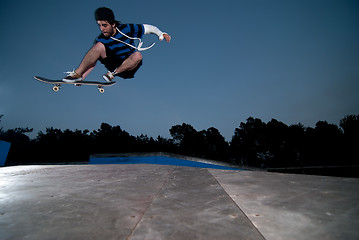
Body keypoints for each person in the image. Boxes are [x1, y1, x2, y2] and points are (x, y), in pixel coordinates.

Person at [63, 7, 171, 82]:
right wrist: (83, 77)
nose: (102, 29)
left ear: (113, 24)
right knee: (98, 46)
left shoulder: (126, 29)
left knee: (138, 55)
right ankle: (76, 74)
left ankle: (112, 74)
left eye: (105, 25)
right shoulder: (101, 39)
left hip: (129, 67)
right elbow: (92, 62)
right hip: (113, 62)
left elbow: (149, 28)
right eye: (99, 25)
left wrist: (161, 33)